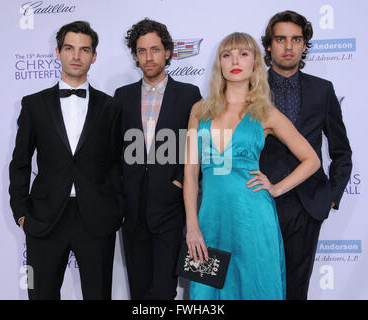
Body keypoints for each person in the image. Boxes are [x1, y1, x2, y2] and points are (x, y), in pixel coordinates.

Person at [184, 32, 321, 300]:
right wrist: (192, 225)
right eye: (227, 54)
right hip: (210, 221)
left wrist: (277, 188)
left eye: (243, 54)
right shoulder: (199, 110)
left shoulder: (265, 112)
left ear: (255, 62)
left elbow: (312, 159)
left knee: (255, 289)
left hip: (253, 219)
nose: (235, 60)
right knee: (205, 295)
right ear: (219, 64)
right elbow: (190, 173)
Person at [9, 21, 124, 300]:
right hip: (45, 218)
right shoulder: (33, 104)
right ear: (58, 52)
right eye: (69, 48)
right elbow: (20, 162)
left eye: (84, 50)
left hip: (96, 220)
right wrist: (22, 213)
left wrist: (117, 210)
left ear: (94, 56)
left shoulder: (111, 107)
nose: (76, 56)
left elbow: (119, 164)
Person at [260, 10, 352, 300]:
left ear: (304, 45)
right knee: (259, 286)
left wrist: (331, 195)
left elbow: (341, 152)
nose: (288, 47)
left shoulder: (322, 90)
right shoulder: (250, 91)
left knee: (296, 291)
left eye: (296, 39)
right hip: (260, 201)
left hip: (307, 204)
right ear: (268, 45)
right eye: (280, 39)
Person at [114, 18, 201, 299]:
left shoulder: (189, 95)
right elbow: (115, 151)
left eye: (154, 49)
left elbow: (197, 148)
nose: (149, 57)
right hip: (133, 209)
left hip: (170, 209)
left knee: (164, 290)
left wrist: (178, 181)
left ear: (167, 52)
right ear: (135, 56)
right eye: (142, 51)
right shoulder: (122, 96)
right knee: (139, 291)